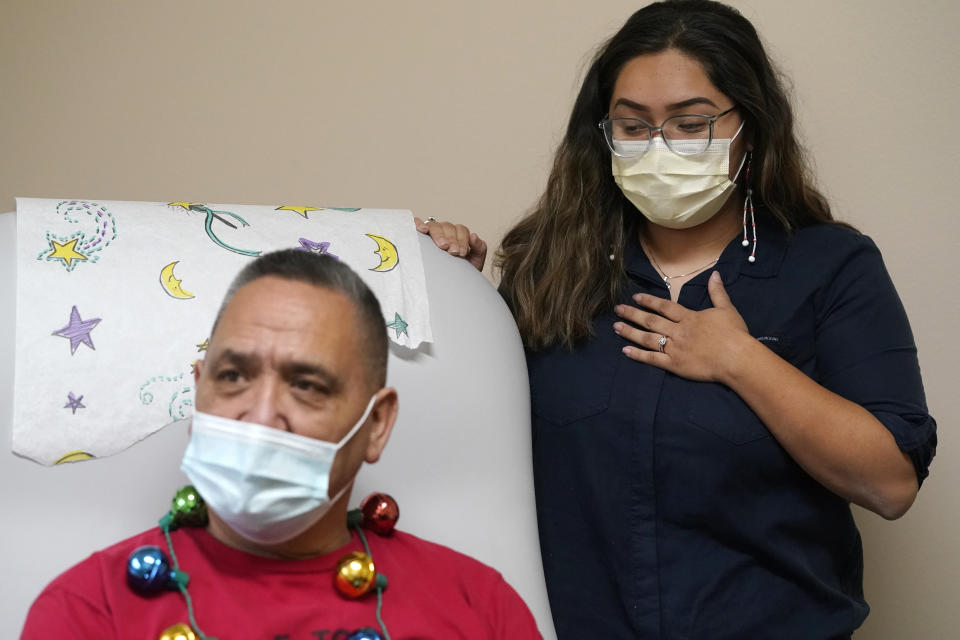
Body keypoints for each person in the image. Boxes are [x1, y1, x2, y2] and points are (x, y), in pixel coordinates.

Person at [417, 1, 937, 638]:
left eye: (691, 123)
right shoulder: (549, 271)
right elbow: (462, 445)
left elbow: (890, 484)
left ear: (752, 124)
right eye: (632, 127)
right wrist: (447, 292)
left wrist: (741, 361)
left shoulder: (832, 266)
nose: (659, 147)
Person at [21, 250, 542, 639]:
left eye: (307, 385)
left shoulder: (479, 609)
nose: (262, 415)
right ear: (198, 390)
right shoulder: (90, 609)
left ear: (377, 424)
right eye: (232, 376)